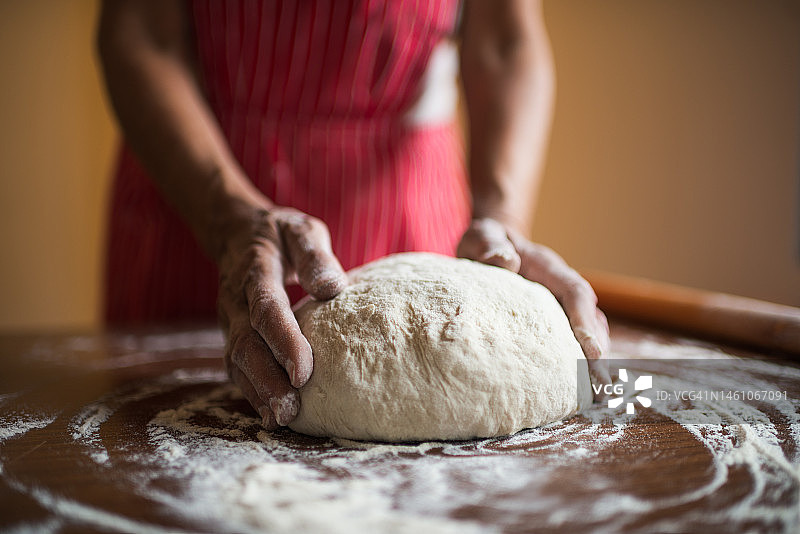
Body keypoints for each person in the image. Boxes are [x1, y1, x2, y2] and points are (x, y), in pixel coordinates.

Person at [97, 0, 610, 429]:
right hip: (201, 185)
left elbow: (503, 40)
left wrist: (502, 221)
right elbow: (142, 31)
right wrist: (227, 217)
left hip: (403, 197)